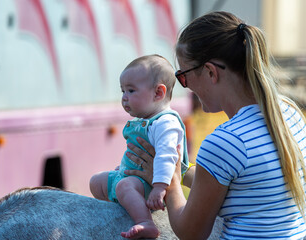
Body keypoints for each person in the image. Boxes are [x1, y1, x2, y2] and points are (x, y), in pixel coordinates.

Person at [125, 11, 306, 239]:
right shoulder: (287, 112)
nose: (186, 86)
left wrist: (168, 182)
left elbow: (191, 232)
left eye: (184, 76)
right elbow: (237, 184)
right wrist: (177, 170)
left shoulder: (226, 141)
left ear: (210, 71)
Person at [89, 54, 188, 239]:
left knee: (125, 187)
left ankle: (146, 222)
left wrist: (159, 187)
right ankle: (122, 211)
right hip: (138, 177)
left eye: (131, 91)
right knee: (97, 181)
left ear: (158, 93)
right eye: (123, 91)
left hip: (154, 182)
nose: (124, 98)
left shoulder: (166, 123)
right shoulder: (146, 120)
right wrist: (126, 167)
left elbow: (167, 157)